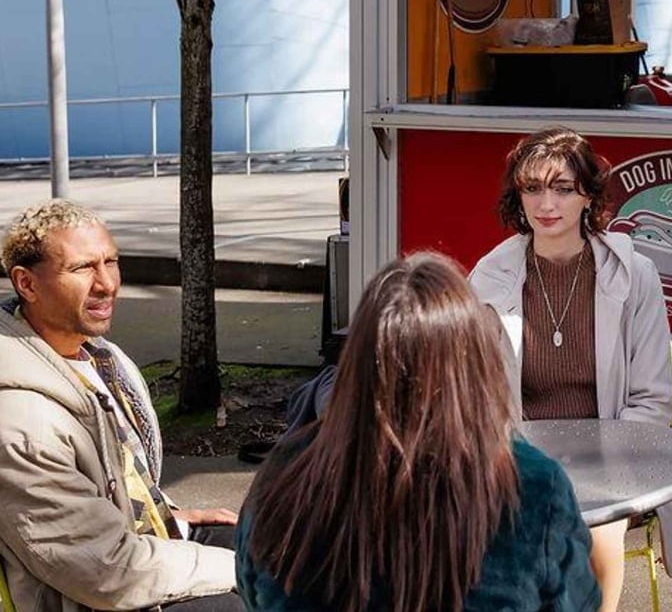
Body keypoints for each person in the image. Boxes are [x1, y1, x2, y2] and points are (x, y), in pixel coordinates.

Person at [0, 199, 239, 611]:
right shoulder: (16, 426)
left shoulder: (93, 360)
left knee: (300, 549)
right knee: (274, 590)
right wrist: (237, 570)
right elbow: (105, 573)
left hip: (133, 553)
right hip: (96, 594)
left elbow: (112, 483)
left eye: (111, 261)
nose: (106, 283)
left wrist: (171, 516)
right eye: (82, 268)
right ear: (27, 284)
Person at [235, 252, 600, 612]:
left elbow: (252, 586)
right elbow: (577, 599)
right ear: (476, 364)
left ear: (356, 361)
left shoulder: (285, 475)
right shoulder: (533, 486)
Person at [470, 127, 672, 612]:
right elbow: (475, 397)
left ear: (588, 195)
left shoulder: (634, 275)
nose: (547, 203)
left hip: (612, 459)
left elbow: (653, 400)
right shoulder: (487, 277)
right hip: (519, 457)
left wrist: (602, 469)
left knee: (597, 528)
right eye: (533, 188)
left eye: (563, 188)